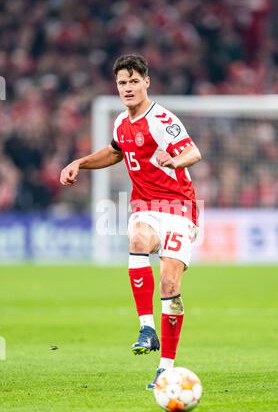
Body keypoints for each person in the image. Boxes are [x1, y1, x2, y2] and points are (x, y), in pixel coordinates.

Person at [60, 54, 202, 389]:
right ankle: (146, 327)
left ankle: (165, 367)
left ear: (146, 82)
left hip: (179, 207)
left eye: (134, 81)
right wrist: (79, 162)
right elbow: (114, 152)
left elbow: (193, 152)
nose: (128, 88)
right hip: (145, 205)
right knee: (137, 239)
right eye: (122, 82)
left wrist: (174, 160)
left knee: (170, 286)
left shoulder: (162, 119)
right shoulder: (121, 124)